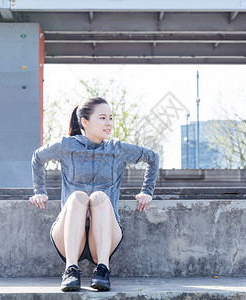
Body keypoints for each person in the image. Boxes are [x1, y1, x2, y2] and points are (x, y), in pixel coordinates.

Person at [29, 97, 159, 291]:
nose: (109, 123)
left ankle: (103, 269)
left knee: (100, 197)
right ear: (85, 122)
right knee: (77, 197)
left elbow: (152, 158)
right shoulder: (66, 146)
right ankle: (71, 270)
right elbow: (38, 157)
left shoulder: (118, 149)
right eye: (103, 118)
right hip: (69, 236)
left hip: (105, 236)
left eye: (111, 118)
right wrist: (39, 191)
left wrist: (147, 191)